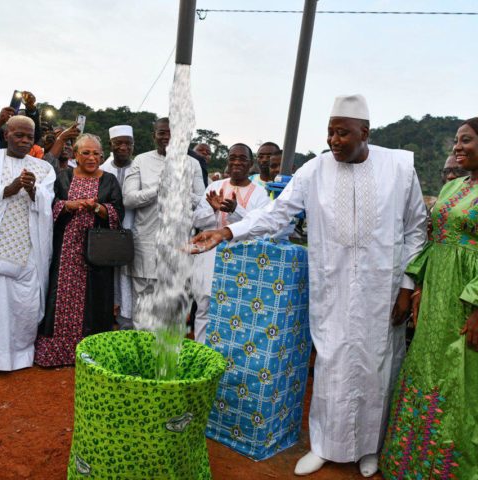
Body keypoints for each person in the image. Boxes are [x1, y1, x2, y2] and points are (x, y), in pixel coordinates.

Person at [191, 95, 427, 477]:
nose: (334, 139)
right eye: (330, 131)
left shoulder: (399, 167)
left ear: (364, 133)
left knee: (377, 367)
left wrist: (406, 284)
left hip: (382, 289)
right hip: (332, 285)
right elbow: (276, 213)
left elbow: (417, 229)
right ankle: (324, 445)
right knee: (332, 363)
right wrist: (228, 231)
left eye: (343, 133)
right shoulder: (314, 171)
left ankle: (370, 449)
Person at [380, 118, 478, 480]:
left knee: (462, 378)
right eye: (456, 140)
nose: (457, 147)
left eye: (465, 140)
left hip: (467, 301)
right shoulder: (453, 188)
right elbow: (431, 241)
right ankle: (413, 466)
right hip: (436, 297)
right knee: (427, 369)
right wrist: (417, 288)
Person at [34, 134, 124, 367]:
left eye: (96, 153)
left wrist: (98, 208)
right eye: (86, 153)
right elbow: (49, 207)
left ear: (102, 156)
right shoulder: (63, 177)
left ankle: (93, 355)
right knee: (61, 295)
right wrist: (68, 205)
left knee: (97, 298)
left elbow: (118, 212)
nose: (92, 157)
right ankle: (58, 354)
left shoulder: (110, 180)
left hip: (98, 251)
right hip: (66, 249)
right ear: (75, 155)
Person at [122, 117, 205, 329]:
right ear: (154, 136)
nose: (167, 137)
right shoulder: (141, 161)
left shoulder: (193, 164)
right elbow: (129, 199)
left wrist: (182, 191)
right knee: (143, 306)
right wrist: (157, 190)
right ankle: (143, 354)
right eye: (162, 133)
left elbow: (203, 203)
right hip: (147, 244)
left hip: (179, 246)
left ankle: (168, 358)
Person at [192, 143, 270, 343]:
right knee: (205, 308)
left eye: (242, 158)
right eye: (232, 157)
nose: (236, 162)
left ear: (251, 164)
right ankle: (202, 357)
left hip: (243, 263)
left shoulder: (260, 194)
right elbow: (198, 221)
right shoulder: (214, 187)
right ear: (227, 162)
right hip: (211, 259)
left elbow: (260, 229)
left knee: (235, 314)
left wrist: (236, 210)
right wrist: (213, 210)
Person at [0, 116, 55, 371]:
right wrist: (6, 190)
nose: (23, 140)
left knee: (26, 304)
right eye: (18, 135)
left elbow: (48, 202)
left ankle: (20, 357)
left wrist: (34, 191)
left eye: (28, 137)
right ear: (5, 134)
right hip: (0, 247)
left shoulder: (43, 168)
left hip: (30, 249)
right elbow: (5, 192)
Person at [101, 125, 135, 330]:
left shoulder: (139, 167)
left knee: (128, 276)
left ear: (133, 146)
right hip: (105, 232)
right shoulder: (103, 168)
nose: (123, 147)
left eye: (128, 144)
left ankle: (127, 321)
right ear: (110, 145)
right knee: (107, 276)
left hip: (133, 229)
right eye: (118, 143)